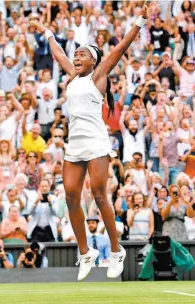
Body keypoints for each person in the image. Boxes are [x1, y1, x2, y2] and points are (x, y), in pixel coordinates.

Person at [29, 2, 154, 281]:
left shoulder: (99, 76)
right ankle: (85, 253)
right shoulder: (72, 77)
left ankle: (115, 250)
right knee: (72, 196)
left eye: (82, 54)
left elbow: (120, 48)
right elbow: (58, 51)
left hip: (97, 142)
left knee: (99, 193)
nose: (76, 57)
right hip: (75, 145)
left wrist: (140, 21)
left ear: (94, 61)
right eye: (76, 54)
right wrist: (48, 31)